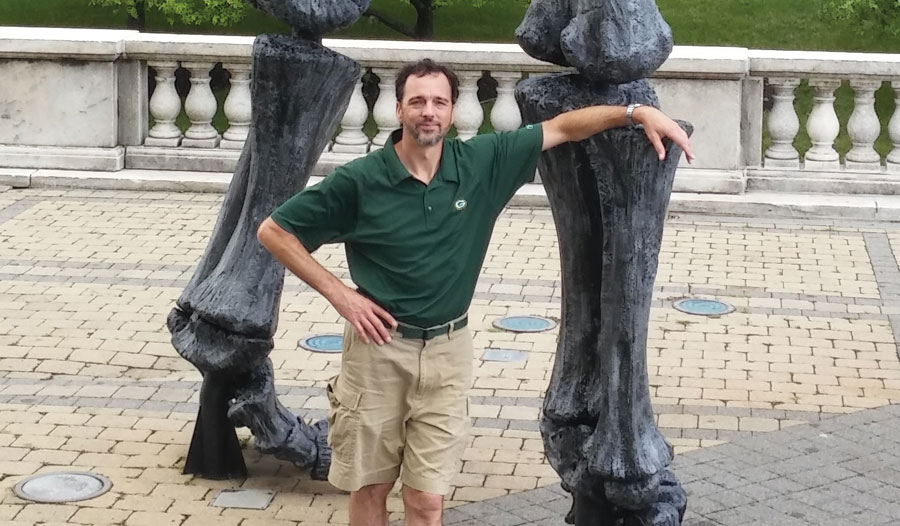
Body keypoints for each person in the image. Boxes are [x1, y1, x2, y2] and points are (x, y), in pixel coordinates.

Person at [257, 59, 693, 526]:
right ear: (399, 109)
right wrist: (340, 295)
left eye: (439, 102)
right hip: (378, 353)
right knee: (370, 489)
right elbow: (274, 231)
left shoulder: (482, 162)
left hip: (448, 356)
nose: (428, 111)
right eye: (417, 102)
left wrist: (634, 113)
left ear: (452, 111)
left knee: (426, 500)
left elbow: (564, 127)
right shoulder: (359, 181)